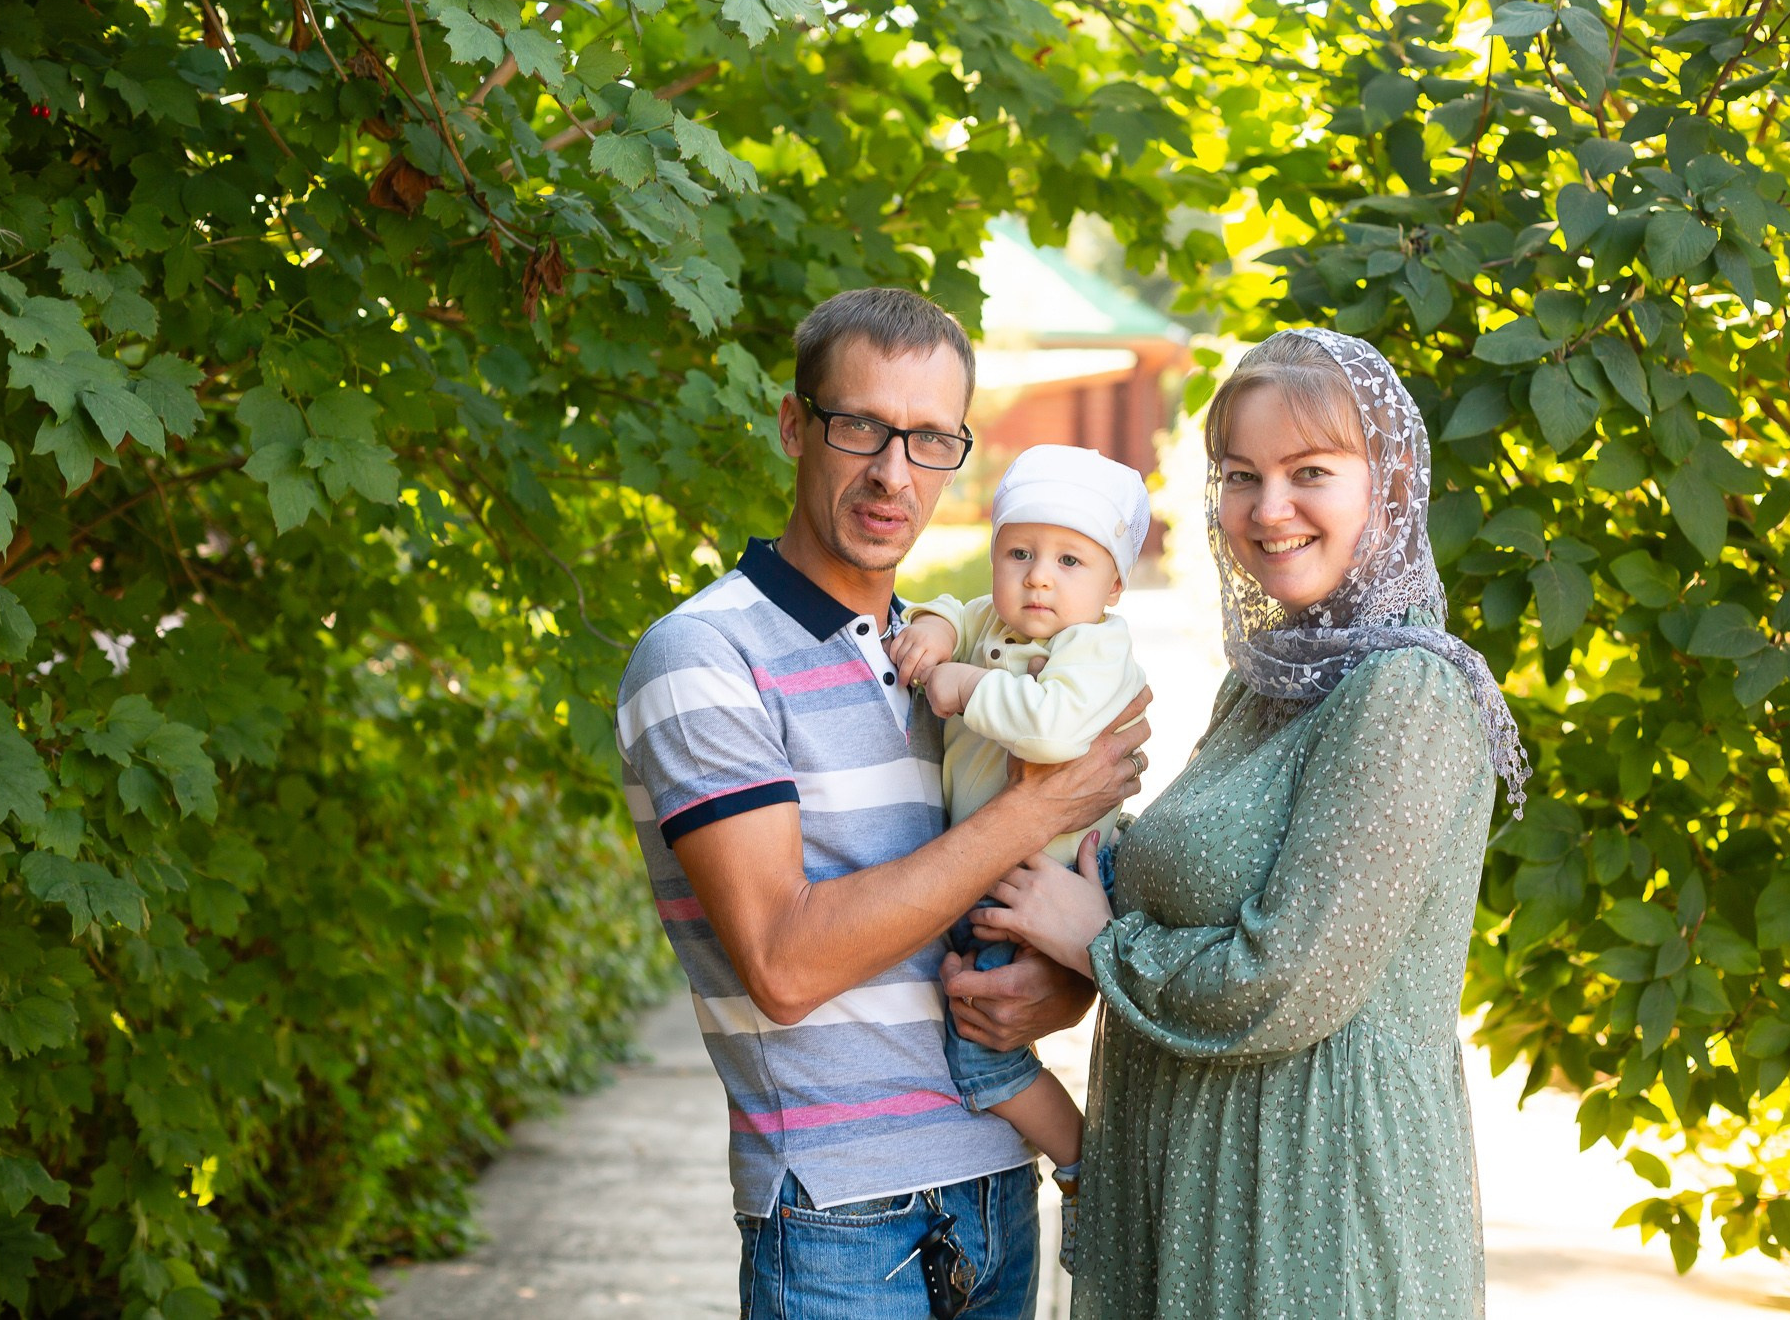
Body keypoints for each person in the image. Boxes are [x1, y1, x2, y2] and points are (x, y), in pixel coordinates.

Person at [613, 288, 1154, 1320]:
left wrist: (1058, 987)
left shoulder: (959, 657)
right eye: (858, 425)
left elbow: (998, 904)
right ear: (791, 424)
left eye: (928, 438)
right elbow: (783, 961)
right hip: (838, 1217)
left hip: (999, 1184)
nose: (892, 472)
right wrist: (1041, 805)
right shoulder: (703, 656)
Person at [977, 328, 1531, 1318]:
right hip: (1193, 1180)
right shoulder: (1269, 680)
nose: (1266, 510)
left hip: (1307, 1208)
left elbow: (1283, 981)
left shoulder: (1403, 691)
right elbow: (1186, 873)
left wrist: (1096, 940)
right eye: (1239, 475)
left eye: (1307, 471)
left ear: (1390, 484)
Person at [887, 443, 1153, 1270]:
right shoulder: (991, 622)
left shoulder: (1097, 647)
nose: (1039, 577)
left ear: (1111, 587)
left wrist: (965, 687)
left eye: (1069, 560)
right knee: (972, 1022)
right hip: (997, 869)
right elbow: (945, 613)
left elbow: (1055, 730)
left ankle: (1083, 1167)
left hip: (1052, 875)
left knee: (980, 1050)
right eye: (1019, 552)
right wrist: (932, 630)